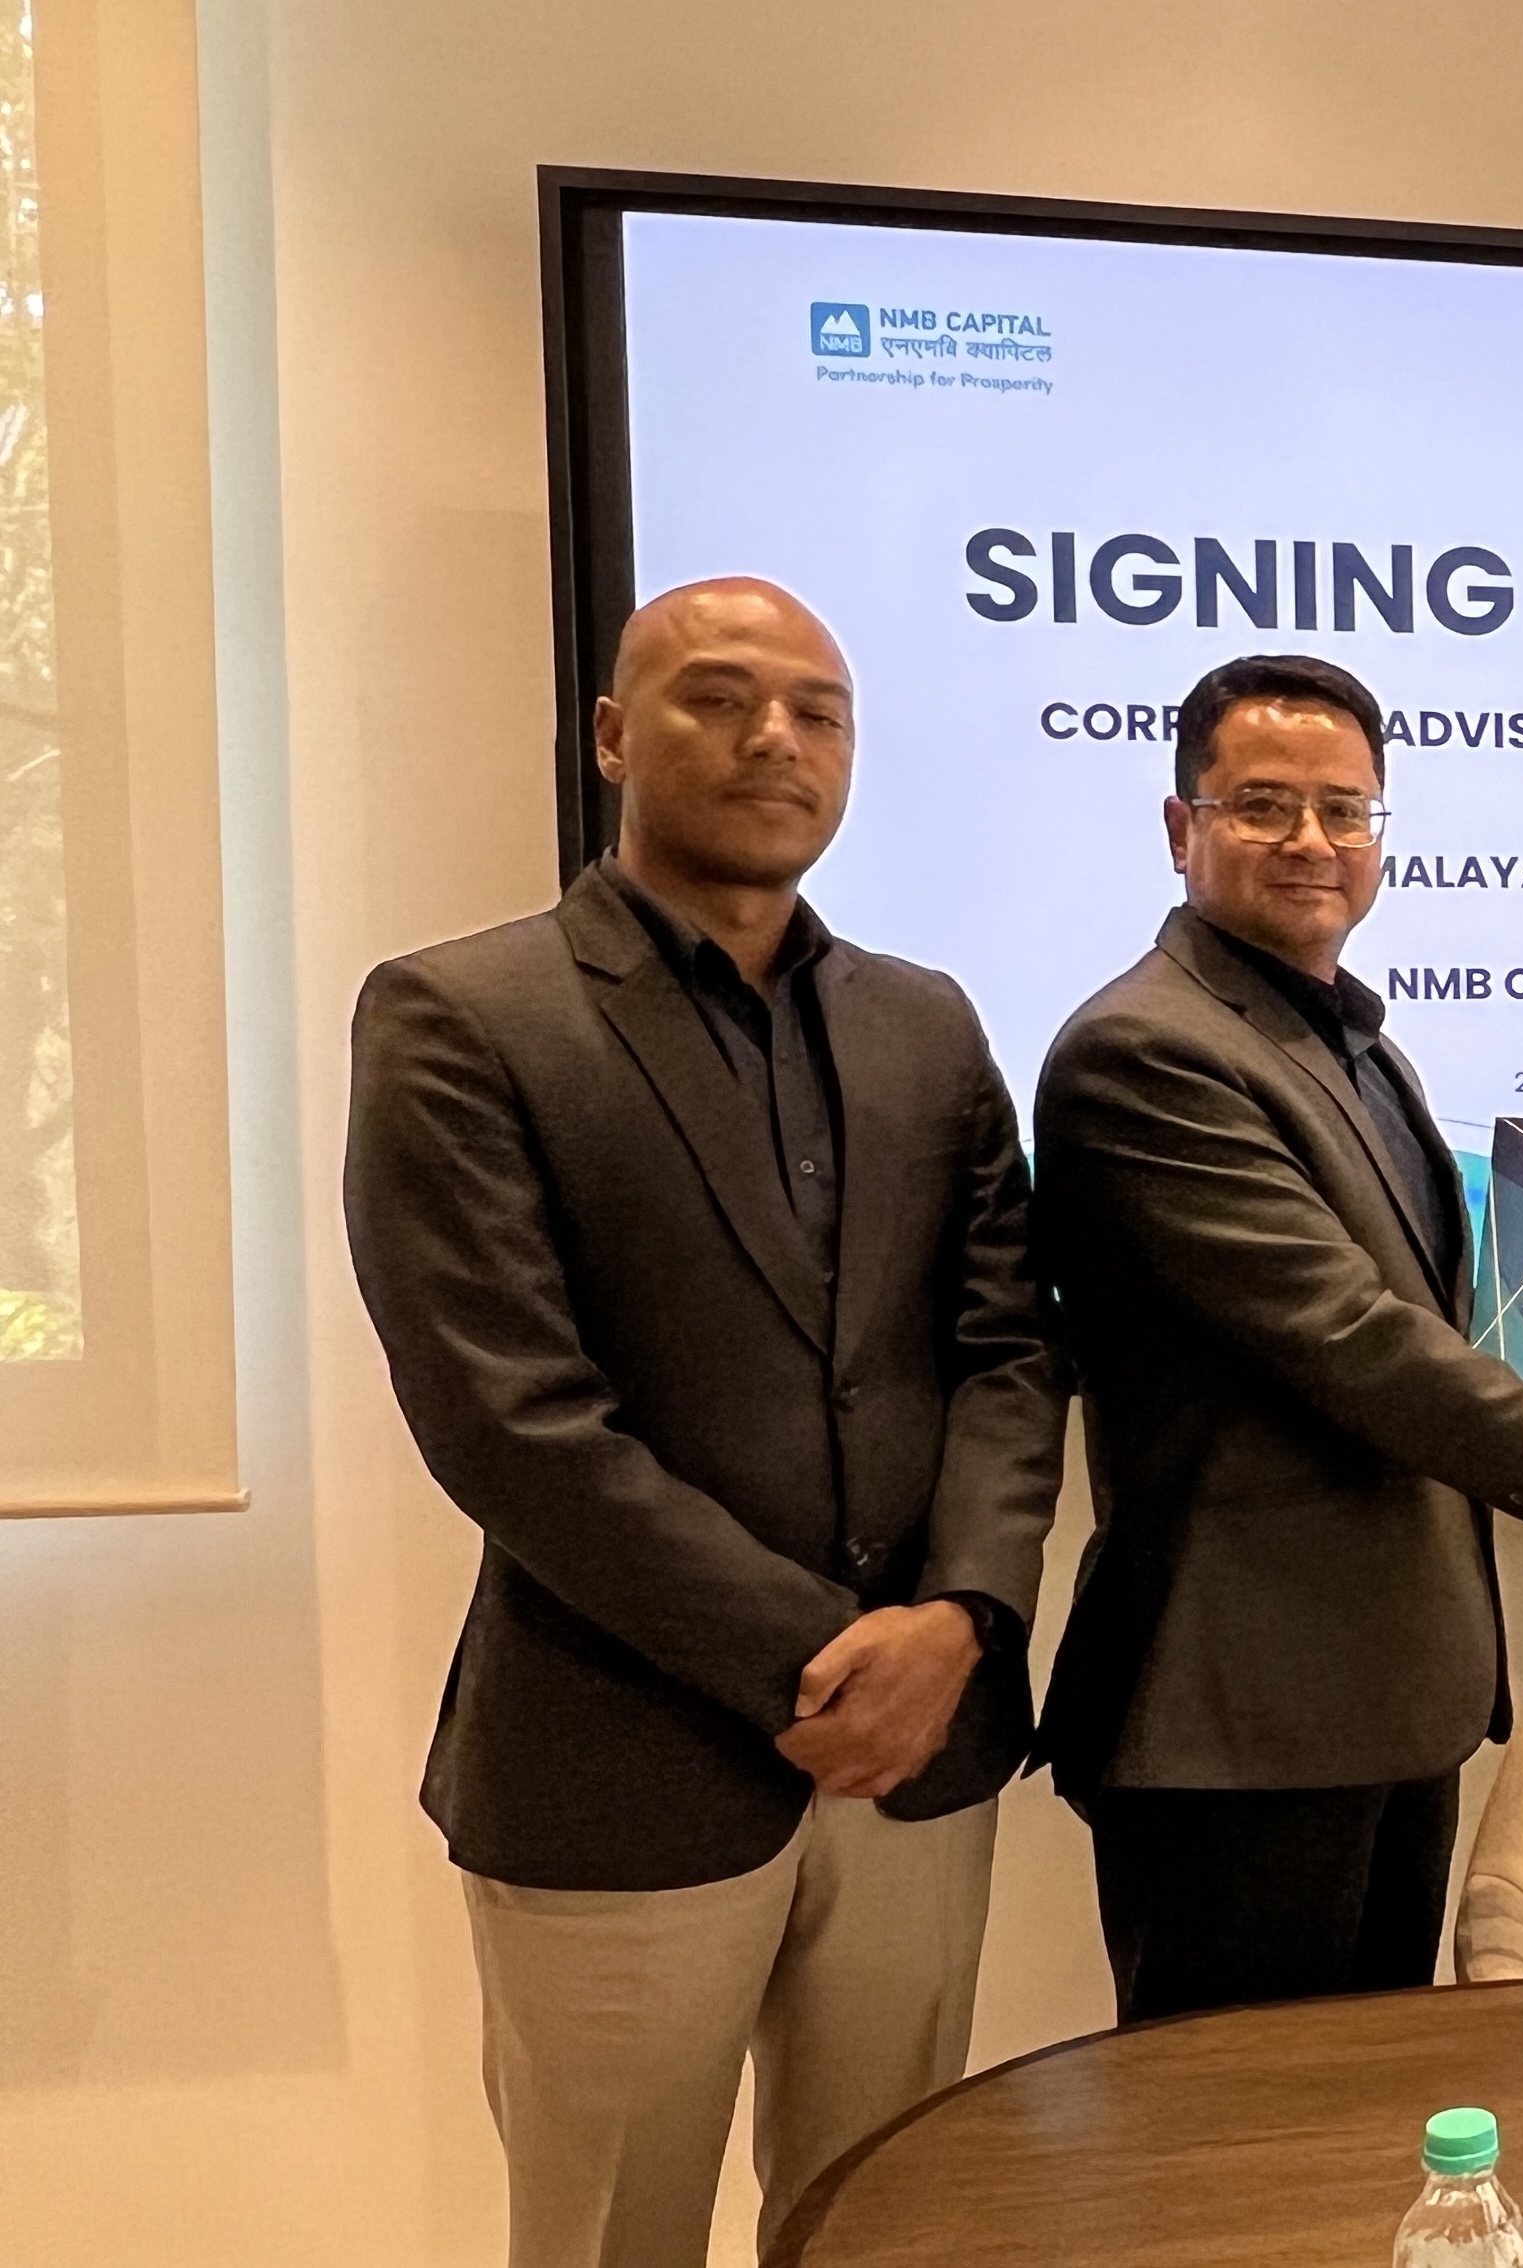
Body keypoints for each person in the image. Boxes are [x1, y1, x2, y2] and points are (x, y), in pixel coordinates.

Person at [345, 579, 1065, 2268]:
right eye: (720, 699)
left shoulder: (926, 1021)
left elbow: (1005, 1351)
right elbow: (512, 1421)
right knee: (614, 2238)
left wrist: (963, 1618)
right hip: (621, 1760)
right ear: (613, 735)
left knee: (886, 2224)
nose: (775, 740)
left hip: (918, 1756)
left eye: (819, 711)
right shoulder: (463, 1013)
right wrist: (825, 1661)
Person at [1032, 652, 1523, 2022]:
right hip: (1243, 1718)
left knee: (1374, 2106)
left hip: (1389, 1697)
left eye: (1346, 809)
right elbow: (1353, 1341)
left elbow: (1443, 1326)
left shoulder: (1358, 1047)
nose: (1311, 841)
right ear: (1181, 827)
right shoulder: (1145, 1051)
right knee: (1240, 2130)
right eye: (1263, 805)